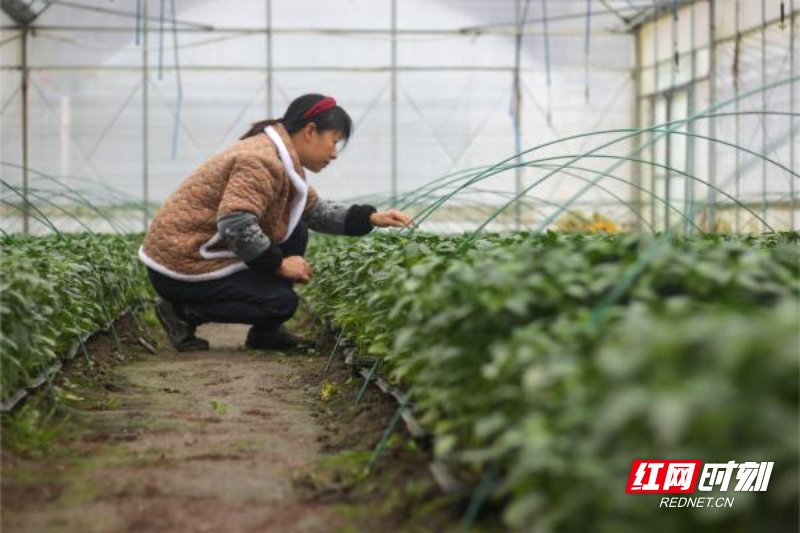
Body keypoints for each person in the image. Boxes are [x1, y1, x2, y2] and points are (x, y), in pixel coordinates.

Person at [139, 94, 413, 351]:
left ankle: (265, 334)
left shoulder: (279, 157)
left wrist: (371, 218)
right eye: (334, 141)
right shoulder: (260, 160)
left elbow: (313, 210)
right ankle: (180, 312)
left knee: (296, 229)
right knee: (281, 303)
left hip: (190, 254)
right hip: (180, 265)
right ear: (310, 131)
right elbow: (235, 224)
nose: (334, 153)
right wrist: (280, 265)